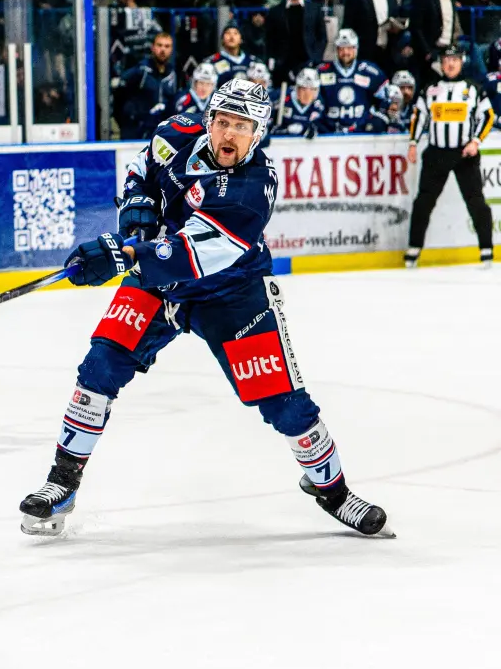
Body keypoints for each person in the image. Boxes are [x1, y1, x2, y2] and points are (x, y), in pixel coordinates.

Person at [23, 79, 392, 539]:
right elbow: (142, 166)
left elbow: (197, 253)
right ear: (209, 120)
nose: (229, 135)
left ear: (258, 133)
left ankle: (333, 492)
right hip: (158, 286)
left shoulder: (253, 187)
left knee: (285, 405)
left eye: (242, 126)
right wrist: (136, 208)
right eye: (222, 122)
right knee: (100, 364)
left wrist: (127, 255)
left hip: (232, 294)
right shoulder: (176, 133)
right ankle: (62, 483)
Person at [404, 46, 496, 269]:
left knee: (476, 202)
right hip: (436, 153)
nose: (450, 64)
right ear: (441, 63)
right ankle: (413, 249)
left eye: (454, 60)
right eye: (446, 60)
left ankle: (486, 250)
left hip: (463, 153)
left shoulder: (473, 89)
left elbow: (487, 116)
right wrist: (414, 143)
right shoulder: (431, 89)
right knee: (423, 202)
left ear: (461, 62)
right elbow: (419, 116)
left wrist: (476, 141)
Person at [317, 29, 388, 132]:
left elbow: (387, 98)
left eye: (349, 48)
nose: (346, 52)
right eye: (342, 48)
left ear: (356, 48)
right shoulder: (322, 72)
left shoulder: (370, 71)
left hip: (362, 132)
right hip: (330, 133)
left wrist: (377, 119)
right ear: (336, 49)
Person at [265, 0, 327, 82]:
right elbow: (269, 39)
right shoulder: (275, 11)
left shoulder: (315, 9)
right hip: (282, 67)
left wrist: (315, 58)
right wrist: (274, 60)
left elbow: (322, 37)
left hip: (309, 63)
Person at [115, 31, 179, 139]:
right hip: (136, 132)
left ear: (171, 49)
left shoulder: (174, 74)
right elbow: (119, 97)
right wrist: (129, 121)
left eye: (167, 46)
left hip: (163, 133)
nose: (163, 50)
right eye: (159, 45)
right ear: (153, 47)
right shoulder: (140, 71)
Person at [411, 0, 463, 87]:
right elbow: (416, 26)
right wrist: (427, 51)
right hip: (430, 50)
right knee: (429, 87)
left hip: (448, 49)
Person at [274, 67, 330, 136]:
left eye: (312, 89)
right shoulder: (281, 99)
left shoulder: (320, 106)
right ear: (297, 88)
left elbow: (326, 130)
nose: (307, 94)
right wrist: (286, 130)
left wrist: (310, 130)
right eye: (303, 89)